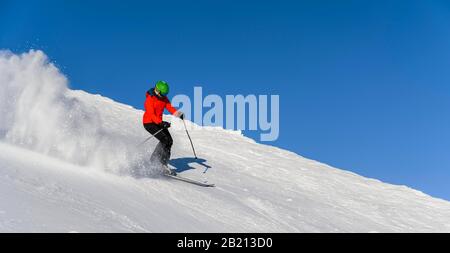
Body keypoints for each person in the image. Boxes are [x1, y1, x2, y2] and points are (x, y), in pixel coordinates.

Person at [143, 81, 184, 174]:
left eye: (166, 94)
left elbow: (169, 107)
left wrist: (178, 114)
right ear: (157, 91)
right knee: (164, 140)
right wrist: (161, 123)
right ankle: (159, 163)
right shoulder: (150, 99)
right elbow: (151, 114)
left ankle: (161, 163)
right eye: (163, 93)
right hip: (149, 123)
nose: (164, 96)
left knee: (169, 141)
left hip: (158, 123)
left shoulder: (163, 98)